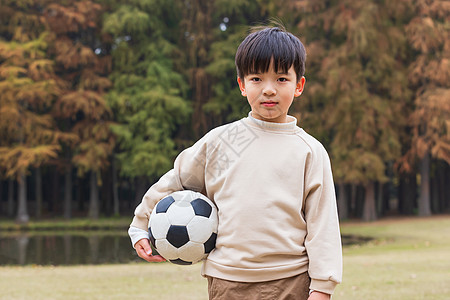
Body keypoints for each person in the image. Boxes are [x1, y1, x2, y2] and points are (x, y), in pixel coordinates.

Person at [128, 24, 342, 300]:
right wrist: (140, 224)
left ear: (298, 85)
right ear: (242, 85)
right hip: (227, 281)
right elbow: (176, 180)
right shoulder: (225, 141)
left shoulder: (309, 151)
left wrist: (322, 287)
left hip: (290, 280)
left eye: (281, 79)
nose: (268, 90)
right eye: (256, 79)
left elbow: (323, 225)